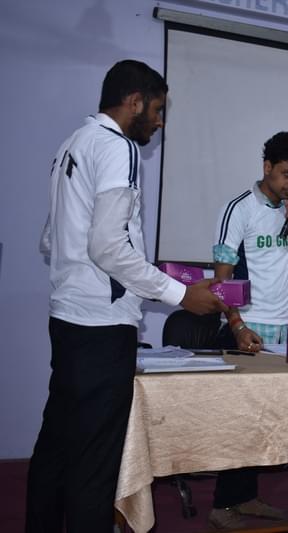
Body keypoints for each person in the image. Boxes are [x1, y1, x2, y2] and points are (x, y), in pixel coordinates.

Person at [28, 60, 226, 533]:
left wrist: (124, 269)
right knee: (96, 460)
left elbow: (51, 241)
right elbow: (108, 246)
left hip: (68, 317)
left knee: (57, 443)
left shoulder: (71, 144)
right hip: (100, 325)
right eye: (157, 110)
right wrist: (180, 294)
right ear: (134, 102)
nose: (160, 122)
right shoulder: (117, 147)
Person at [209, 131, 288, 529]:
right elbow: (220, 280)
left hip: (285, 331)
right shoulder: (238, 209)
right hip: (247, 331)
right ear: (267, 167)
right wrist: (236, 325)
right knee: (239, 425)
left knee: (266, 424)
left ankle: (247, 498)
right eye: (287, 174)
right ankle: (221, 508)